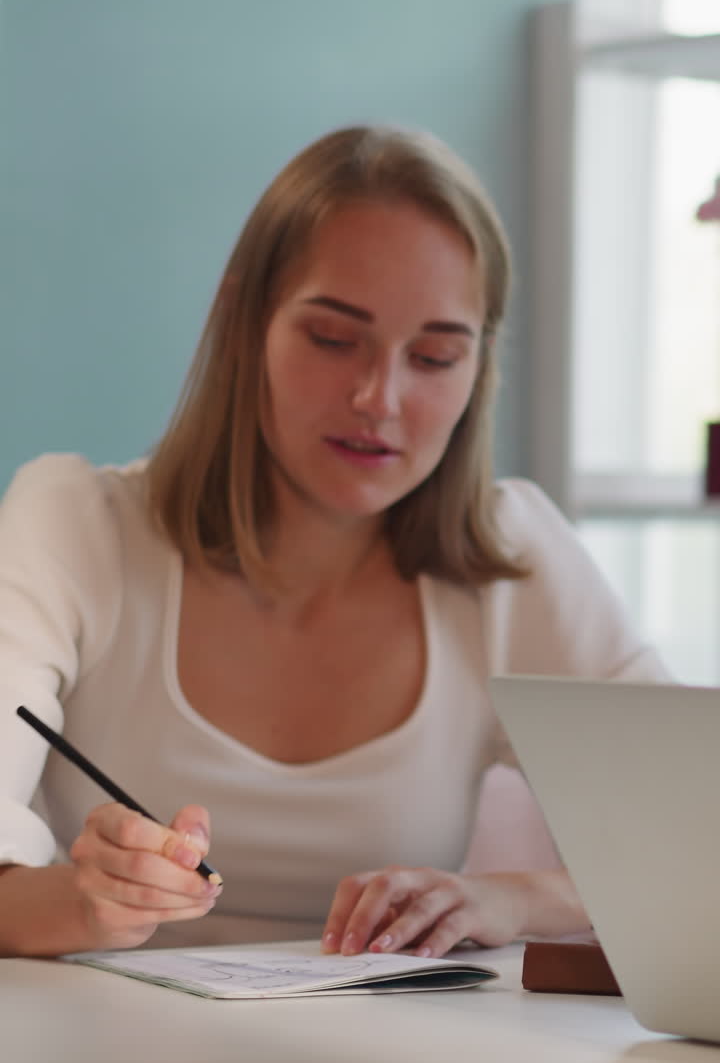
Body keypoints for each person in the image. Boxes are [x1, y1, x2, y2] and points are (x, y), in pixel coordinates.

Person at [0, 123, 669, 976]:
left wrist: (505, 898)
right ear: (244, 320)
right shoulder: (73, 525)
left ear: (478, 369)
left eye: (433, 356)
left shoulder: (511, 559)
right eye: (332, 338)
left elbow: (694, 845)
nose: (378, 398)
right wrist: (85, 901)